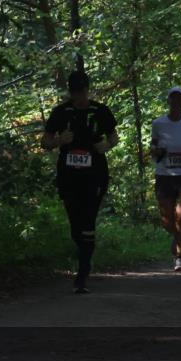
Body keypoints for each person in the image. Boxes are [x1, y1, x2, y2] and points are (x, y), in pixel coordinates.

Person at [41, 70, 120, 293]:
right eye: (74, 92)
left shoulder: (100, 111)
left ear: (87, 89)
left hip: (94, 175)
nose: (78, 96)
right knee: (76, 225)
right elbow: (45, 142)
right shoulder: (61, 112)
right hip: (69, 176)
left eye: (81, 91)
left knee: (88, 221)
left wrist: (107, 145)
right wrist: (59, 140)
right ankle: (84, 254)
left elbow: (113, 137)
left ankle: (83, 273)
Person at [150, 87, 181, 271]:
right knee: (167, 221)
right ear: (169, 101)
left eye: (180, 98)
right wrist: (157, 151)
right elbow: (152, 148)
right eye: (173, 98)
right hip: (164, 175)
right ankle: (178, 237)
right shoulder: (158, 123)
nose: (176, 101)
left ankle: (180, 257)